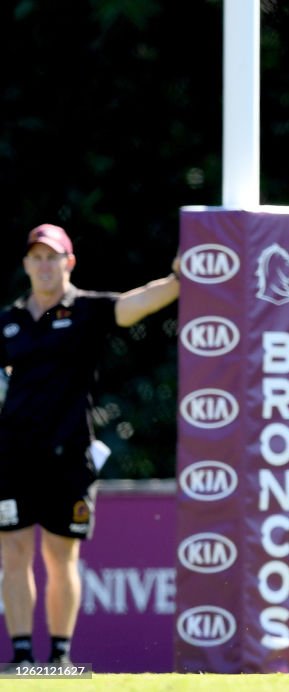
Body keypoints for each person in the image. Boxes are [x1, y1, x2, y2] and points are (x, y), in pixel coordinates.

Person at [0, 223, 180, 669]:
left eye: (52, 256)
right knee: (13, 552)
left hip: (69, 454)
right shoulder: (9, 321)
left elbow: (133, 304)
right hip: (12, 457)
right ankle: (22, 656)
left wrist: (180, 280)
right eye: (36, 257)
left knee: (61, 555)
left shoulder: (86, 310)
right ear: (26, 264)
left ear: (69, 262)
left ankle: (59, 657)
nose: (44, 265)